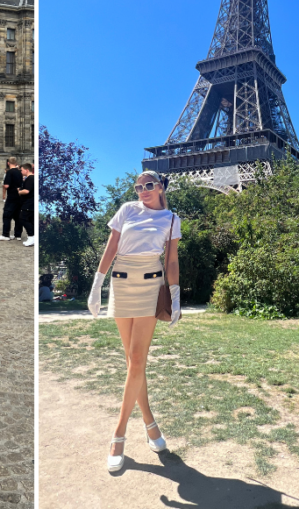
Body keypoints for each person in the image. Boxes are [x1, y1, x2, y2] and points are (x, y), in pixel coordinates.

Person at [88, 170, 181, 472]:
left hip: (150, 286)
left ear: (162, 186)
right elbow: (112, 246)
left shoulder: (170, 219)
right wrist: (96, 284)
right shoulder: (127, 209)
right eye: (138, 186)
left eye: (149, 185)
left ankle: (118, 435)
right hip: (121, 283)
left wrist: (176, 294)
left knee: (138, 358)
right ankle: (149, 422)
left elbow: (171, 259)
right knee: (132, 363)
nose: (143, 190)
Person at [0, 157, 25, 241]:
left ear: (8, 163)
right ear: (16, 163)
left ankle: (5, 234)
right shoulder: (20, 172)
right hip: (19, 196)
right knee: (17, 216)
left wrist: (3, 185)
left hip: (12, 196)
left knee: (6, 215)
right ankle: (18, 235)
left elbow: (6, 185)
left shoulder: (9, 172)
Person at [19, 162, 36, 247]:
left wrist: (19, 191)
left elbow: (26, 191)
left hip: (29, 203)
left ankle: (31, 236)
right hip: (32, 203)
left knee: (23, 218)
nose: (21, 172)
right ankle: (34, 236)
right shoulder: (32, 178)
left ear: (26, 170)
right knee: (31, 220)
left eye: (21, 170)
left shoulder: (30, 178)